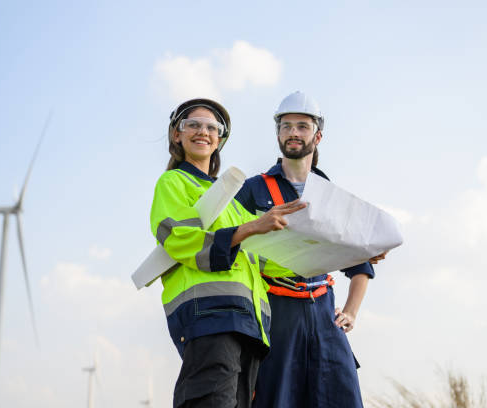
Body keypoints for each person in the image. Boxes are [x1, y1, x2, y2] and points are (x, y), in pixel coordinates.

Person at [150, 98, 306, 408]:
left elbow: (270, 260)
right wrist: (250, 228)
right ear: (176, 134)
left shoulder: (233, 204)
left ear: (220, 139)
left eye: (212, 127)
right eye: (192, 124)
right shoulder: (174, 183)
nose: (203, 132)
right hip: (210, 315)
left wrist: (348, 256)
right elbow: (180, 238)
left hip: (248, 325)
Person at [235, 91, 387, 408]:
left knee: (341, 397)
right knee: (276, 399)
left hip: (323, 312)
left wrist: (351, 311)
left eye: (302, 126)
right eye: (287, 125)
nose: (293, 132)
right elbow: (231, 241)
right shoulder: (253, 189)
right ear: (277, 133)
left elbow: (360, 259)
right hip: (276, 313)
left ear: (317, 135)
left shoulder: (328, 192)